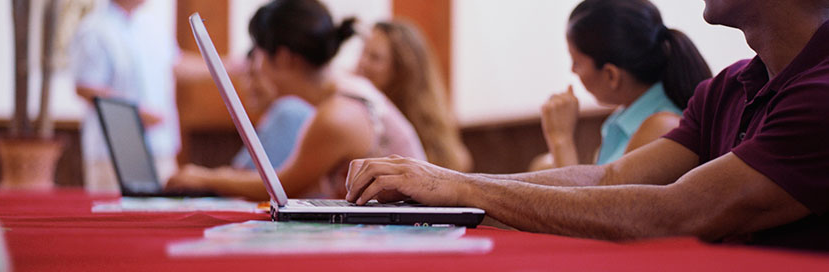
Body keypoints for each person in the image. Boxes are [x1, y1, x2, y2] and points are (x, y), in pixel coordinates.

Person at [345, 0, 829, 251]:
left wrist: (457, 190)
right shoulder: (727, 87)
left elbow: (679, 211)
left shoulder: (820, 92)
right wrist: (443, 191)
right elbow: (610, 177)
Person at [166, 0, 426, 200]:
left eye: (258, 53)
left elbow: (281, 187)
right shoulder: (346, 94)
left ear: (284, 57)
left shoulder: (337, 115)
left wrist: (207, 178)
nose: (253, 64)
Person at [531, 0, 712, 170]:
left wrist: (560, 139)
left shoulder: (661, 128)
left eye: (577, 62)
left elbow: (594, 204)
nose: (572, 70)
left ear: (611, 75)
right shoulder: (625, 121)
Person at [71, 0, 181, 191]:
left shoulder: (152, 26)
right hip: (114, 154)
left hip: (159, 147)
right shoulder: (94, 28)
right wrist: (136, 112)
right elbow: (86, 86)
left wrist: (225, 67)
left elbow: (176, 64)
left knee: (165, 216)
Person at [356, 21, 473, 172]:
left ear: (402, 71)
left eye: (374, 57)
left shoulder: (450, 152)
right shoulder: (359, 113)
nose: (362, 63)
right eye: (363, 52)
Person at [231, 48, 315, 170]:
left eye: (256, 75)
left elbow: (245, 175)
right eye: (246, 76)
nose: (248, 85)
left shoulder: (289, 112)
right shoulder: (275, 115)